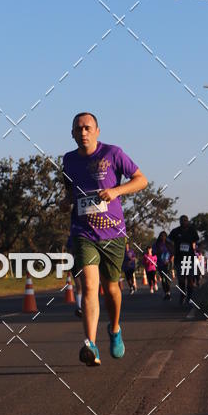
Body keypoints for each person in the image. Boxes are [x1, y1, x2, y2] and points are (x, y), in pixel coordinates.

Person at [61, 112, 147, 366]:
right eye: (79, 129)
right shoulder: (68, 160)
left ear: (97, 131)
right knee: (89, 286)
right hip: (83, 232)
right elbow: (69, 192)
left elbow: (141, 180)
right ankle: (91, 345)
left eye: (88, 127)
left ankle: (115, 329)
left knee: (111, 289)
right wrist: (66, 203)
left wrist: (116, 191)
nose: (83, 132)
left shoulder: (113, 153)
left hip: (113, 233)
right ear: (73, 134)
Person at [169, 215, 200, 307]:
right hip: (179, 259)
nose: (184, 222)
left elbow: (197, 241)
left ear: (188, 221)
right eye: (182, 220)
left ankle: (189, 297)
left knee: (190, 279)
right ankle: (183, 295)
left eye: (185, 220)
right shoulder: (175, 231)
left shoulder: (192, 231)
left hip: (189, 258)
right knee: (181, 280)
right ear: (180, 221)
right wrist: (172, 250)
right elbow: (168, 241)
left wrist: (197, 249)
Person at [155, 231, 173, 299]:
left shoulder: (169, 244)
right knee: (163, 279)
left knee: (167, 278)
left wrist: (169, 260)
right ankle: (166, 292)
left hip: (168, 264)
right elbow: (154, 253)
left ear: (166, 237)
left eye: (164, 236)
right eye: (161, 236)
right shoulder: (157, 244)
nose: (162, 237)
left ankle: (168, 292)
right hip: (160, 264)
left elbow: (173, 253)